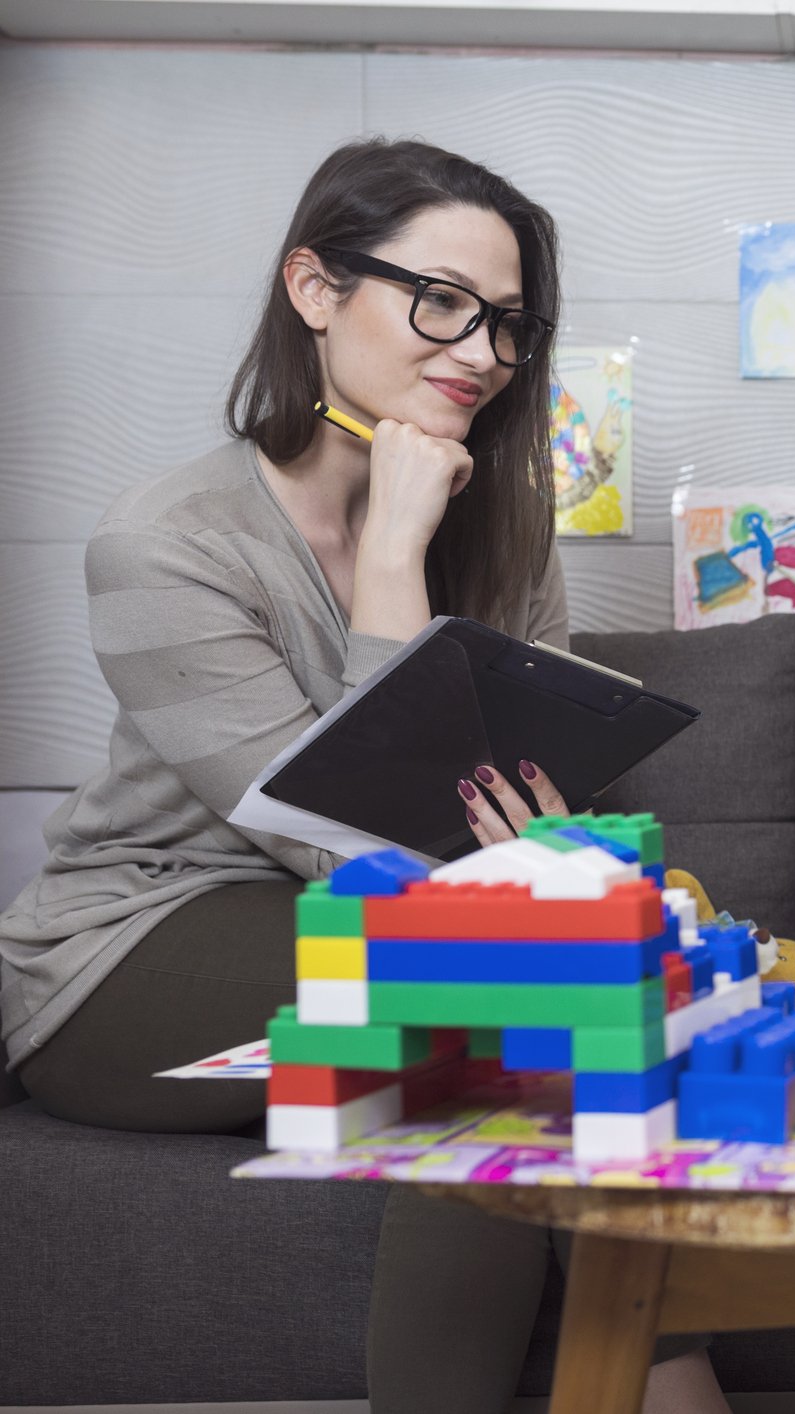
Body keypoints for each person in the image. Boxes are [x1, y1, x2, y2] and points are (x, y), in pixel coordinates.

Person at [0, 139, 724, 1414]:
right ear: (315, 288)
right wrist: (394, 551)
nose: (480, 351)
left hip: (400, 922)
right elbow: (355, 852)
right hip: (137, 949)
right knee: (501, 1004)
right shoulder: (165, 543)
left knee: (595, 990)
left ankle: (665, 1386)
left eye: (507, 322)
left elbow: (519, 817)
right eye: (440, 300)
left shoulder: (507, 519)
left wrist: (557, 856)